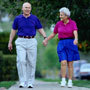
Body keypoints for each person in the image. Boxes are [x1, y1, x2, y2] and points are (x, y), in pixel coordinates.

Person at [8, 2, 47, 88]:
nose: (27, 9)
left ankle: (30, 82)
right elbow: (13, 30)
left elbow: (40, 28)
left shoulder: (34, 18)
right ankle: (22, 81)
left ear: (30, 9)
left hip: (32, 41)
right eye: (25, 7)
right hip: (20, 41)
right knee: (21, 60)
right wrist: (10, 42)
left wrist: (45, 37)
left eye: (29, 7)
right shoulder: (17, 18)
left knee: (31, 62)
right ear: (22, 8)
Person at [43, 7, 80, 88]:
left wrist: (76, 38)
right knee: (63, 62)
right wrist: (46, 40)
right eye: (60, 15)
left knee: (70, 63)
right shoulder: (58, 24)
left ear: (66, 16)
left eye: (61, 15)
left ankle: (70, 81)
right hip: (62, 44)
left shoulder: (72, 23)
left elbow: (75, 31)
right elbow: (54, 33)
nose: (60, 16)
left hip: (71, 43)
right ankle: (63, 80)